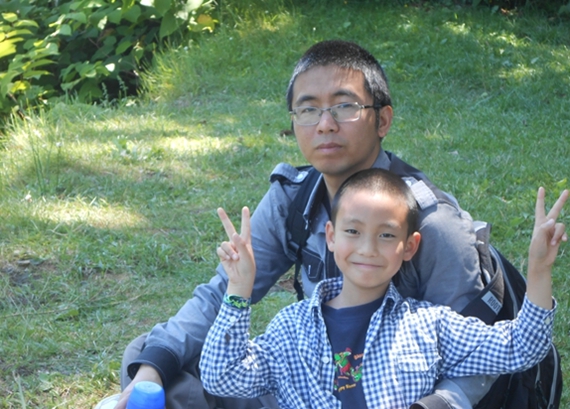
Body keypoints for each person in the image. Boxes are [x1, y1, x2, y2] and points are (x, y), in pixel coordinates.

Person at [116, 40, 505, 409]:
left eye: (344, 106)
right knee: (152, 356)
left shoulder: (432, 222)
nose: (325, 124)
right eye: (308, 109)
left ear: (382, 120)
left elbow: (476, 358)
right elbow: (219, 298)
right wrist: (153, 369)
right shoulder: (293, 199)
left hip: (396, 394)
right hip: (312, 389)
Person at [200, 168, 568, 409]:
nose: (367, 248)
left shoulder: (429, 326)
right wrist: (238, 289)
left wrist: (539, 269)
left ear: (409, 246)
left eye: (386, 235)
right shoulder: (290, 329)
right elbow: (222, 376)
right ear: (331, 236)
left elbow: (522, 347)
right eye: (353, 231)